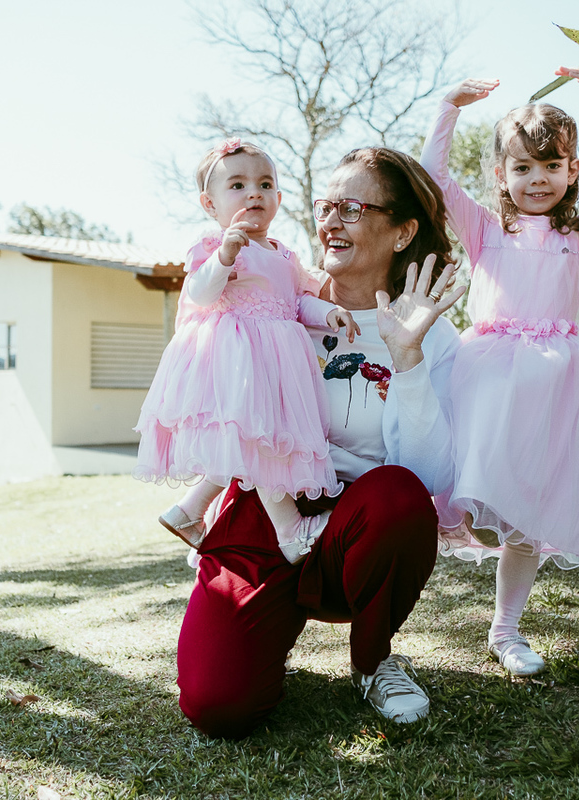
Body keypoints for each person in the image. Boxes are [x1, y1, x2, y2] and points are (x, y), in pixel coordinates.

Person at [176, 146, 465, 739]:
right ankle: (262, 629)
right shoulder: (270, 299)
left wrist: (406, 358)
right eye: (325, 205)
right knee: (217, 706)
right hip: (265, 510)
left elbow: (430, 475)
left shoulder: (435, 335)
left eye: (352, 208)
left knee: (399, 495)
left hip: (356, 528)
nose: (330, 221)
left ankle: (373, 661)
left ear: (403, 231)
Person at [420, 68, 579, 677]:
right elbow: (434, 178)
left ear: (571, 172)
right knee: (459, 484)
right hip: (486, 383)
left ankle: (506, 631)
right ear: (501, 176)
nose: (536, 179)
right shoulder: (485, 231)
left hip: (553, 389)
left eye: (551, 167)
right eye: (522, 168)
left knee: (528, 520)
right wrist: (448, 109)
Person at [134, 138, 358, 563]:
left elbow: (294, 303)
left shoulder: (284, 254)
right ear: (210, 203)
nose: (254, 192)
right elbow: (201, 294)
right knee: (260, 445)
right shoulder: (217, 246)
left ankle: (189, 511)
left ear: (278, 197)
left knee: (252, 445)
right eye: (237, 185)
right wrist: (224, 255)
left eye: (265, 183)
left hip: (276, 363)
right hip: (237, 361)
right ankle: (291, 531)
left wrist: (328, 314)